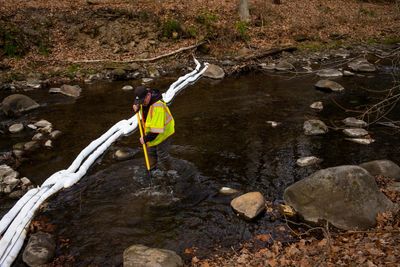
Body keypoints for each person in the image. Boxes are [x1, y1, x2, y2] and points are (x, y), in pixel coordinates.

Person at [132, 86, 175, 171]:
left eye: (142, 101)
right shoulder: (144, 101)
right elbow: (140, 106)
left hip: (164, 134)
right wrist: (137, 108)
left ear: (148, 95)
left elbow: (156, 131)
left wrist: (145, 138)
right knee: (151, 152)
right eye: (139, 102)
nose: (142, 104)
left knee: (162, 155)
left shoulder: (158, 107)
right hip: (152, 133)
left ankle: (170, 172)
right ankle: (152, 170)